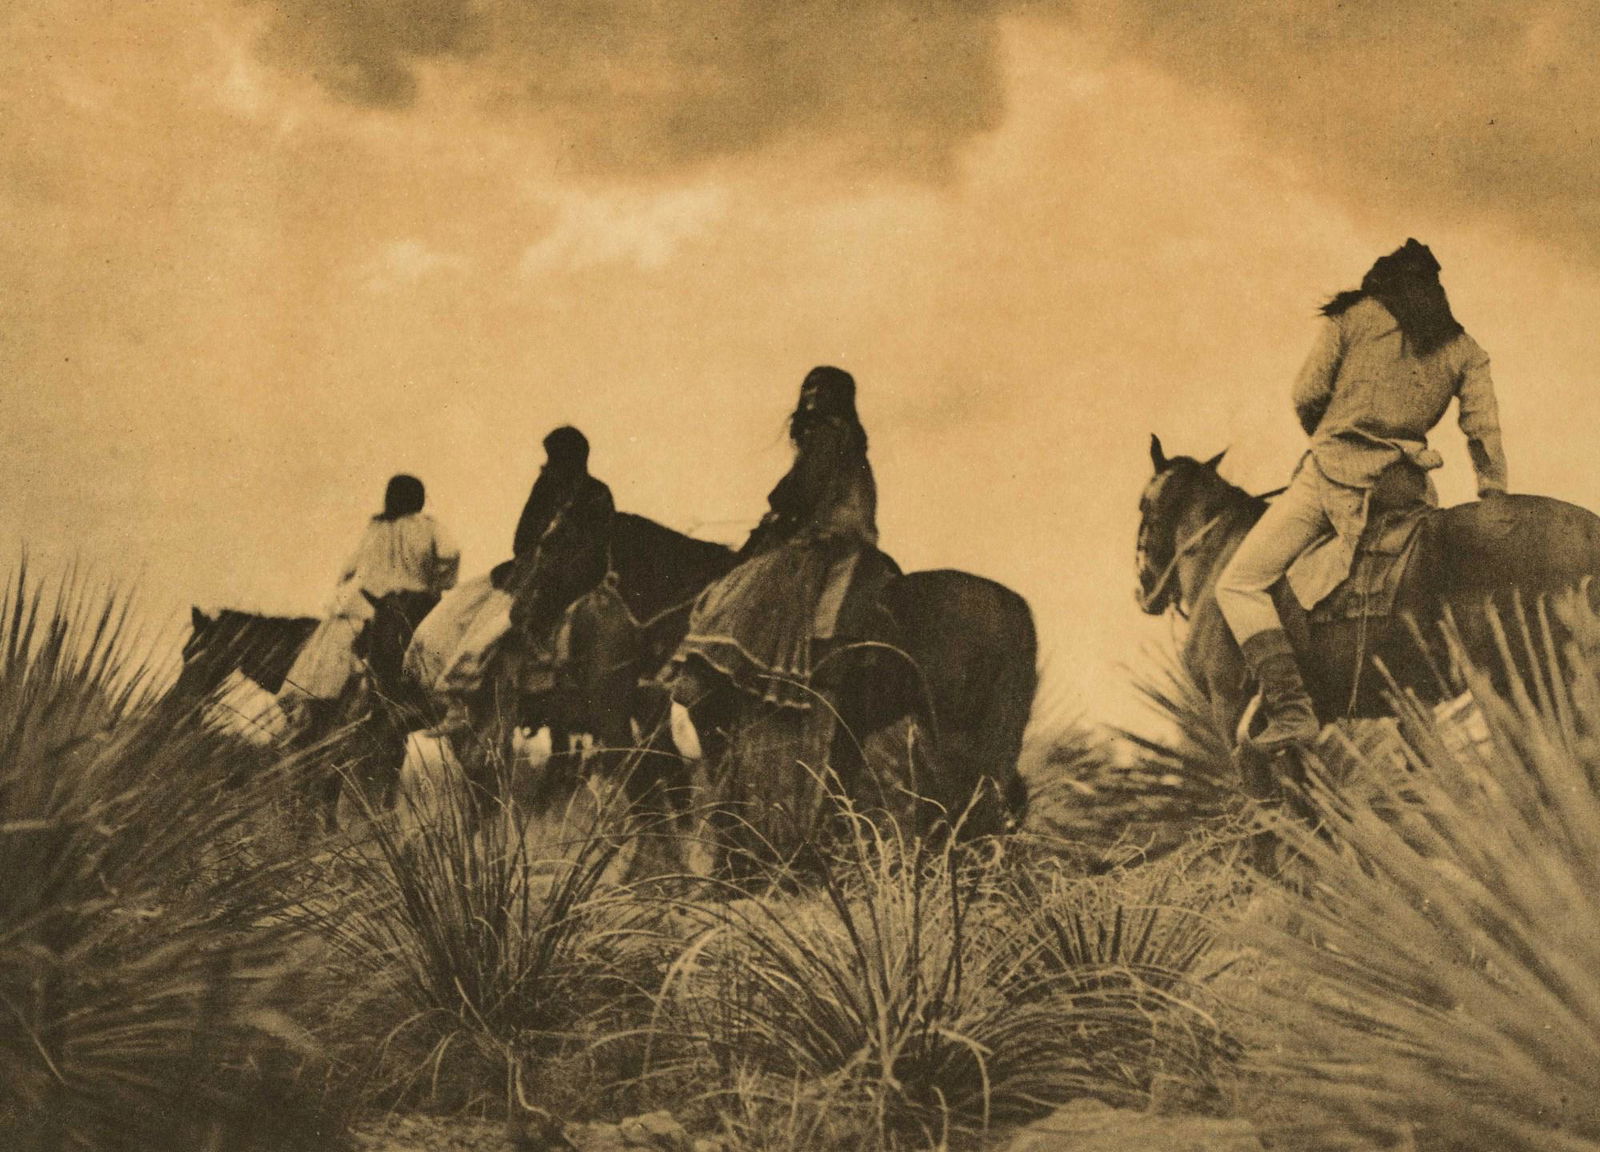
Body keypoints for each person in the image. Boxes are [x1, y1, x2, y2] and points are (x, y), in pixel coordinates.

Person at [1215, 239, 1509, 751]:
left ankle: (1291, 710)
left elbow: (1305, 394)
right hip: (1404, 487)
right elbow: (1481, 427)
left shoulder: (1350, 318)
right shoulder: (1463, 348)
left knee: (1238, 584)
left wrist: (1331, 433)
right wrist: (1492, 489)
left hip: (1331, 475)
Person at [670, 365, 897, 712]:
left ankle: (753, 677)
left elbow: (804, 493)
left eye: (820, 390)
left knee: (747, 589)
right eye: (808, 388)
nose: (811, 396)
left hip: (825, 536)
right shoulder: (848, 438)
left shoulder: (825, 433)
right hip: (846, 533)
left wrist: (780, 510)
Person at [430, 426, 616, 733]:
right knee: (486, 620)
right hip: (544, 573)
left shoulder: (593, 493)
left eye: (555, 458)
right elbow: (523, 538)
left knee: (502, 625)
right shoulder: (557, 488)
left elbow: (595, 545)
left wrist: (556, 562)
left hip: (571, 577)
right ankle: (469, 693)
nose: (548, 464)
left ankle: (473, 694)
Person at [279, 473, 459, 728]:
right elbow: (451, 553)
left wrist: (350, 586)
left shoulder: (377, 527)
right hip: (420, 605)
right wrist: (437, 583)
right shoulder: (430, 526)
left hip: (378, 604)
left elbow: (349, 568)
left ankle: (338, 703)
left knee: (335, 646)